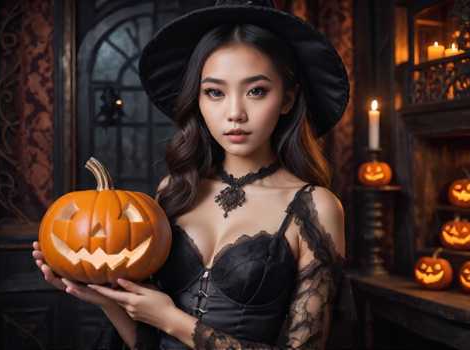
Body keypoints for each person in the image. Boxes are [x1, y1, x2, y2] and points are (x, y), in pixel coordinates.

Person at [32, 0, 349, 348]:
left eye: (256, 91)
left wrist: (171, 319)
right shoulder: (175, 190)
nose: (234, 113)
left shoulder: (316, 208)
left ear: (287, 99)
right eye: (214, 92)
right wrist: (105, 296)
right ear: (196, 100)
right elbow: (147, 343)